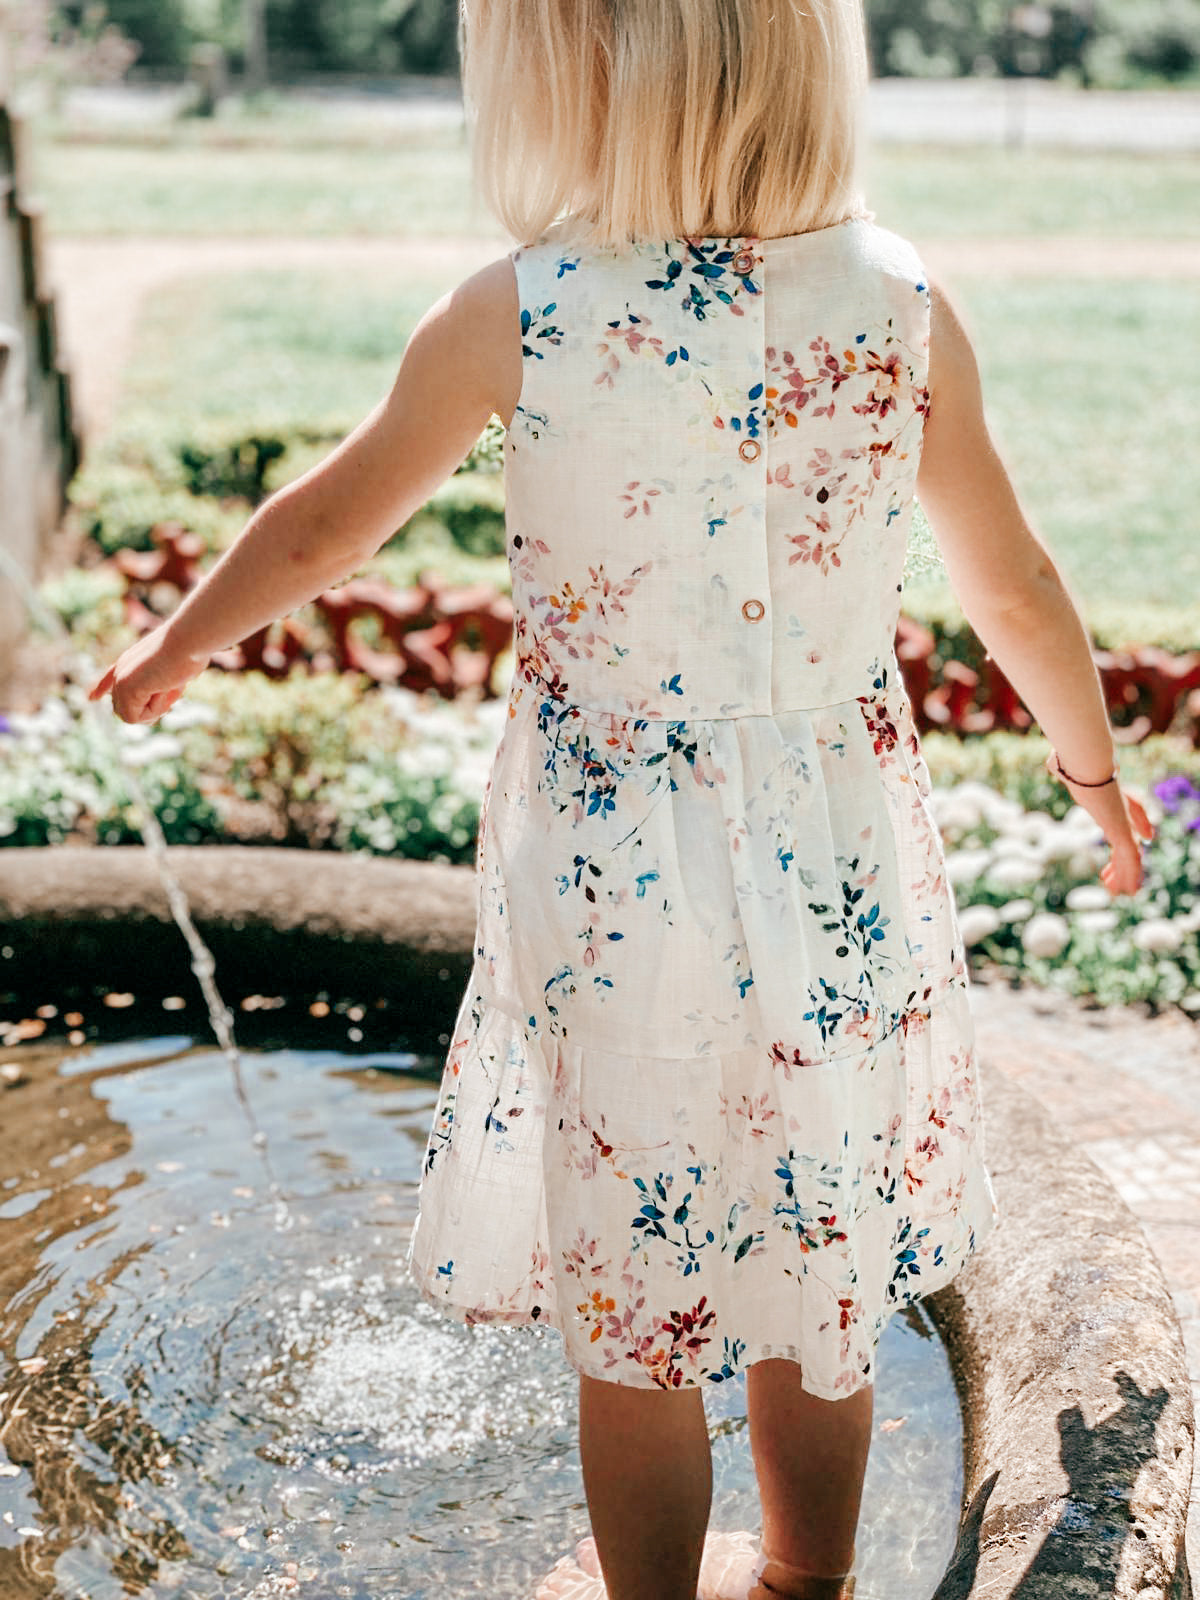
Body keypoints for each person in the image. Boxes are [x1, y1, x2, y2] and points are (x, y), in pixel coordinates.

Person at [88, 2, 1156, 1597]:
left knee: (636, 1275)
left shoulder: (520, 312)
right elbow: (1013, 582)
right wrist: (1090, 770)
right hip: (836, 848)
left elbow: (326, 531)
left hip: (613, 870)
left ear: (573, 81)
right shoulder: (900, 300)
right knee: (818, 1251)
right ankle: (809, 1579)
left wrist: (180, 638)